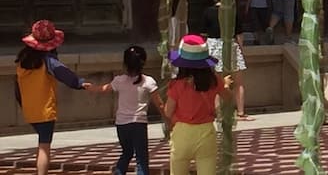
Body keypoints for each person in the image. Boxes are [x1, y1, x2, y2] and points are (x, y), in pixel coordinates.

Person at [14, 20, 92, 175]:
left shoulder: (22, 62)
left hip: (29, 109)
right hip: (45, 110)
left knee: (42, 142)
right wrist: (80, 83)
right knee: (44, 146)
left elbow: (17, 89)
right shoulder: (48, 61)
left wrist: (23, 104)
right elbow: (66, 75)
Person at [165, 34, 233, 175]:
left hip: (182, 134)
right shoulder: (214, 81)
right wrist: (225, 85)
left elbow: (168, 112)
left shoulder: (177, 85)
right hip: (206, 133)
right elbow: (228, 98)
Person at [96, 45, 165, 175]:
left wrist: (88, 87)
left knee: (126, 153)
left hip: (121, 124)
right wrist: (168, 119)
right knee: (141, 158)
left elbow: (103, 89)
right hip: (139, 124)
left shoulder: (119, 80)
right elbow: (160, 104)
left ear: (125, 63)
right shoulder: (148, 82)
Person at [202, 0, 252, 122]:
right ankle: (240, 112)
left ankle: (218, 113)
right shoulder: (232, 12)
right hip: (231, 45)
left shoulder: (208, 11)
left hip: (212, 45)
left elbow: (203, 33)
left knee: (215, 82)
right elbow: (239, 33)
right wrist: (241, 49)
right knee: (238, 82)